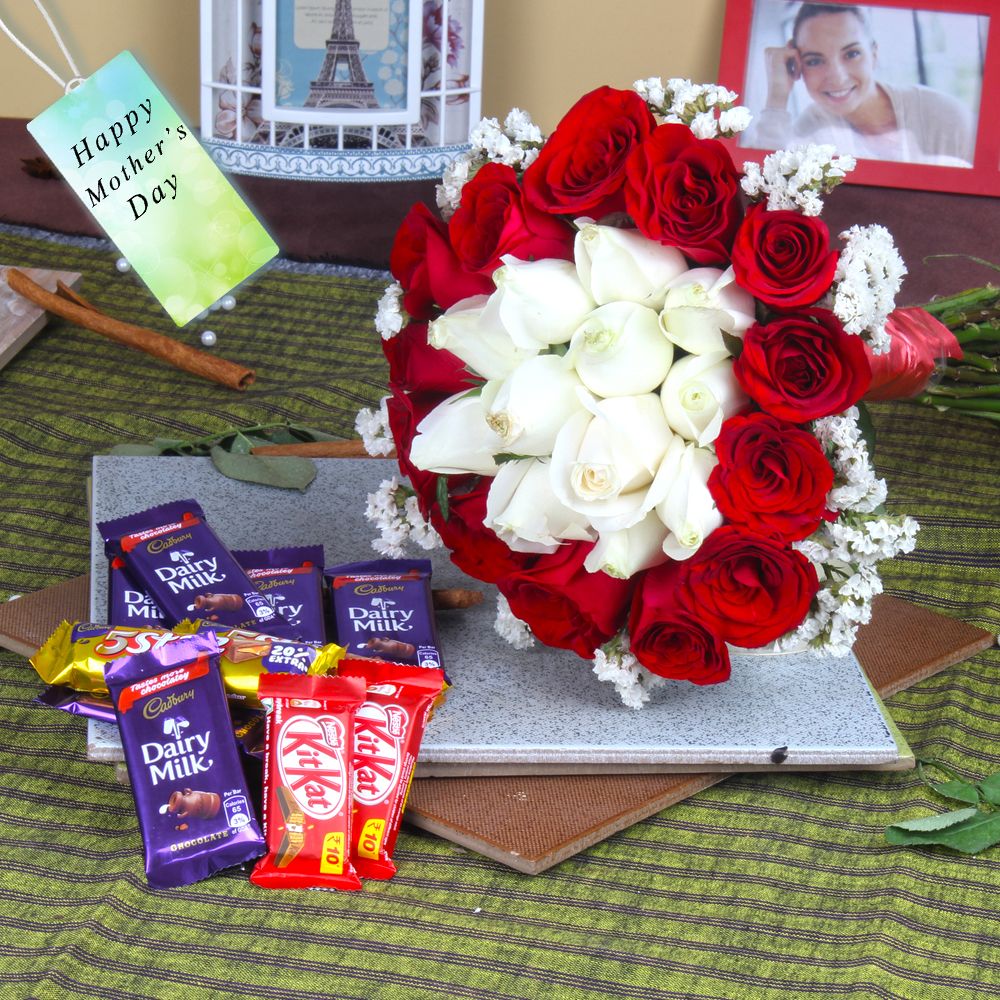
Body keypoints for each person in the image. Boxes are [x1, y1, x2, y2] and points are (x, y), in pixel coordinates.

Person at [744, 3, 975, 165]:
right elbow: (763, 184)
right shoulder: (809, 131)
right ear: (797, 67)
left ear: (874, 54)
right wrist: (777, 96)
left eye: (852, 54)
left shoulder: (945, 116)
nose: (837, 76)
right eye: (814, 60)